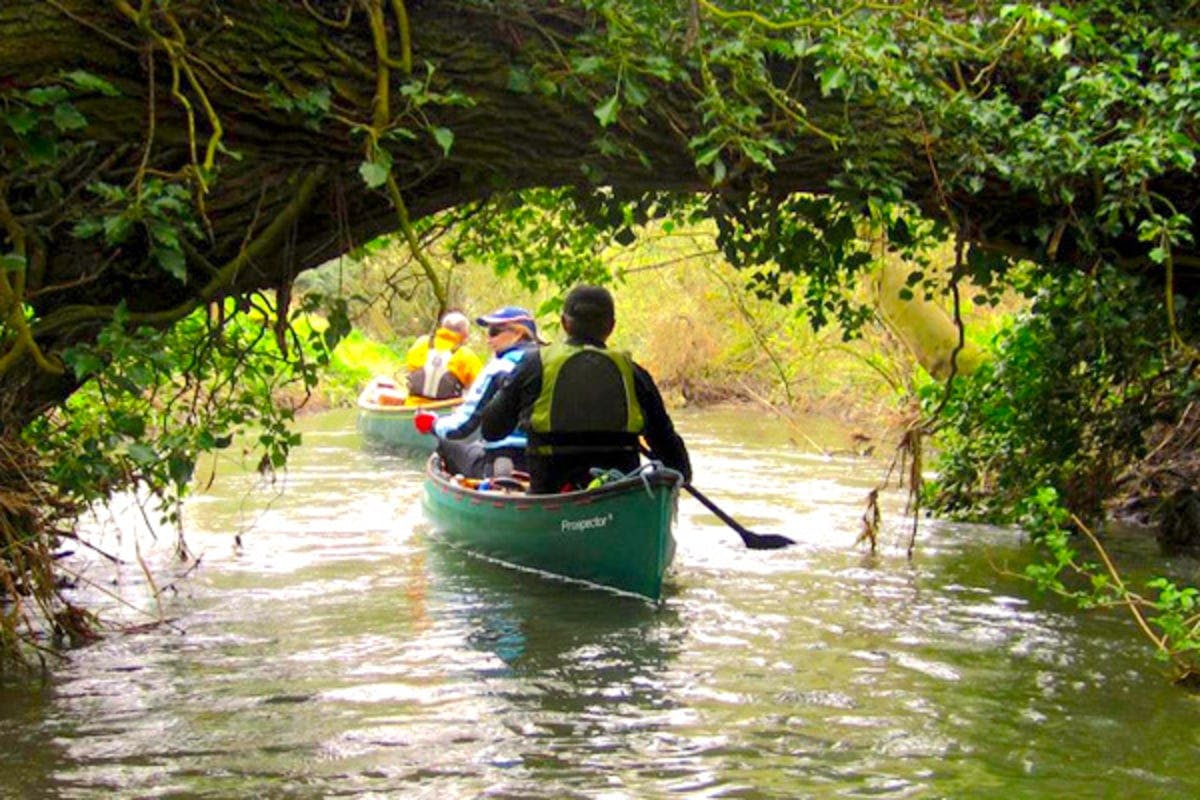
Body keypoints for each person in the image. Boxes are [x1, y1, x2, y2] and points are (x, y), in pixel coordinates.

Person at [480, 284, 691, 494]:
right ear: (611, 326)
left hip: (550, 494)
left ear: (564, 323)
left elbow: (491, 430)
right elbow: (676, 461)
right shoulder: (634, 374)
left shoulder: (534, 365)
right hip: (618, 495)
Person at [427, 307, 545, 478]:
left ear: (519, 333)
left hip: (502, 461)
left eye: (494, 332)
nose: (488, 340)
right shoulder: (551, 363)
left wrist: (433, 424)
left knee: (446, 443)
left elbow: (461, 427)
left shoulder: (499, 367)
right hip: (547, 462)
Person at [403, 311, 483, 406]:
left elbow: (410, 369)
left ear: (442, 327)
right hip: (446, 413)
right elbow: (480, 387)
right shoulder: (467, 355)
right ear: (465, 333)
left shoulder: (421, 344)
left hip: (413, 408)